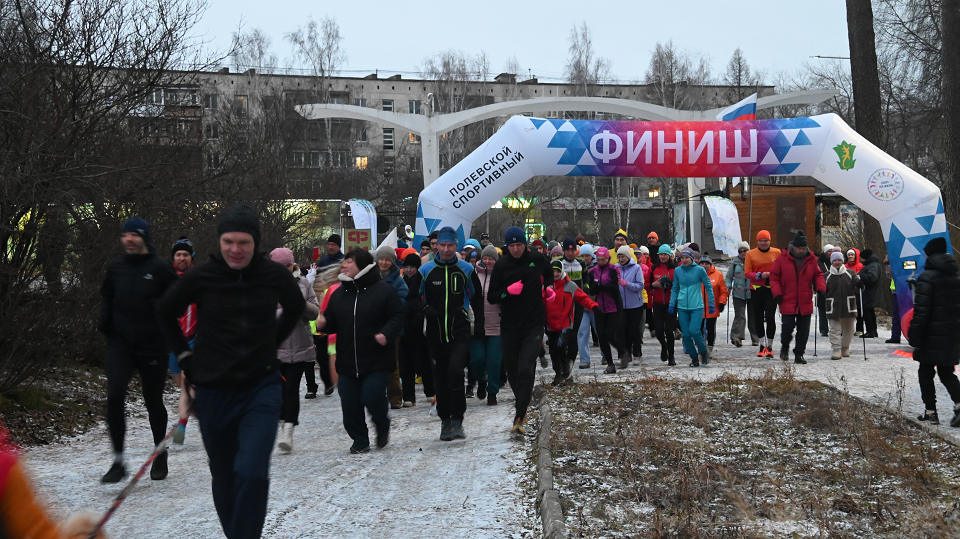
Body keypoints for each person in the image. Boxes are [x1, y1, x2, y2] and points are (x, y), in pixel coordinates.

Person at [157, 205, 305, 539]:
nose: (235, 250)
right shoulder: (203, 275)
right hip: (214, 391)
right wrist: (185, 356)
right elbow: (165, 311)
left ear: (256, 243)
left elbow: (295, 306)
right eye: (228, 242)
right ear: (219, 241)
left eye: (243, 242)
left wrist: (271, 342)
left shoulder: (273, 275)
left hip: (261, 388)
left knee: (252, 471)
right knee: (224, 476)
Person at [99, 217, 177, 483]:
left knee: (153, 401)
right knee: (114, 396)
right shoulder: (116, 268)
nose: (128, 239)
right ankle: (119, 461)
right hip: (121, 344)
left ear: (145, 237)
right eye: (125, 235)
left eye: (134, 235)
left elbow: (176, 302)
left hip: (153, 346)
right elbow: (107, 297)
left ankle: (160, 453)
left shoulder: (160, 268)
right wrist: (105, 323)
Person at [318, 248, 405, 452]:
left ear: (363, 266)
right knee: (349, 404)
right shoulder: (339, 294)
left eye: (350, 261)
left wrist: (386, 333)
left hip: (377, 358)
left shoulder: (383, 290)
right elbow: (332, 321)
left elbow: (398, 315)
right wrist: (324, 323)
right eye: (344, 261)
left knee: (372, 396)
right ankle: (359, 439)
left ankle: (382, 425)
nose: (344, 265)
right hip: (347, 360)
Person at [488, 226, 553, 434]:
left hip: (534, 322)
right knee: (513, 370)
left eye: (519, 244)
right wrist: (507, 292)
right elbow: (492, 296)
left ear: (525, 244)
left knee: (526, 366)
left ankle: (519, 415)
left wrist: (549, 287)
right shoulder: (502, 265)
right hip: (510, 324)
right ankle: (523, 400)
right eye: (512, 245)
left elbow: (548, 273)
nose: (515, 249)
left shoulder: (537, 259)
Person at [419, 227, 482, 441]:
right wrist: (425, 310)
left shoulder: (466, 269)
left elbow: (477, 297)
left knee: (456, 371)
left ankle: (458, 419)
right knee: (441, 376)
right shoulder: (426, 270)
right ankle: (445, 420)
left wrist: (479, 323)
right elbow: (412, 298)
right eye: (443, 245)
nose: (446, 249)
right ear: (437, 246)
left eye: (450, 245)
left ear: (456, 246)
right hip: (435, 331)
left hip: (459, 328)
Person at [270, 248, 320, 454]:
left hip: (300, 346)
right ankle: (283, 423)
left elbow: (315, 311)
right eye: (280, 266)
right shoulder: (265, 286)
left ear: (293, 265)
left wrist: (301, 307)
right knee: (278, 390)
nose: (285, 269)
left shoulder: (304, 283)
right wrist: (285, 312)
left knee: (291, 388)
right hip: (275, 348)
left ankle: (288, 430)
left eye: (288, 266)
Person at [909, 237, 960, 427]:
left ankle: (930, 412)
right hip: (952, 333)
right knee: (946, 372)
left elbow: (921, 312)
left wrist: (914, 334)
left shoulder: (927, 277)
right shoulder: (956, 276)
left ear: (929, 254)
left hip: (930, 335)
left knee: (925, 372)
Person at [770, 231, 825, 364]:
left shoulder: (812, 259)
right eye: (799, 248)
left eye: (803, 248)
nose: (801, 250)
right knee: (787, 327)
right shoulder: (782, 258)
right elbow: (774, 276)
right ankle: (785, 346)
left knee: (803, 330)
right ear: (793, 246)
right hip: (787, 298)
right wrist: (777, 292)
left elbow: (818, 275)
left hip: (805, 299)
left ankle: (799, 354)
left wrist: (820, 288)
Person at [545, 259, 598, 385]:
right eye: (553, 272)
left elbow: (583, 298)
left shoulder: (570, 286)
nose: (555, 274)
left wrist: (594, 307)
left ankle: (565, 370)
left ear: (562, 271)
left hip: (565, 323)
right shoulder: (546, 286)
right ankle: (558, 375)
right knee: (553, 351)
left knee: (561, 345)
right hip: (550, 324)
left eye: (558, 271)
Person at [169, 237, 197, 445]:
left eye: (185, 254)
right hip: (173, 340)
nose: (181, 258)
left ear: (191, 257)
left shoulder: (198, 279)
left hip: (194, 339)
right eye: (178, 254)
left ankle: (181, 424)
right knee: (180, 384)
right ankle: (192, 409)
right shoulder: (167, 279)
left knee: (188, 384)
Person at [399, 251, 436, 407]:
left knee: (425, 360)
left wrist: (419, 317)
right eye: (406, 267)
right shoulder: (402, 281)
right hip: (406, 327)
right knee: (407, 363)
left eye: (412, 267)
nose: (409, 270)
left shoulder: (422, 280)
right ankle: (408, 396)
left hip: (421, 326)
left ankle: (430, 391)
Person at [374, 245, 409, 410]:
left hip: (393, 327)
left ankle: (395, 397)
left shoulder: (398, 280)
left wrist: (387, 305)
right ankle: (375, 395)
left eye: (387, 260)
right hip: (373, 326)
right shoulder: (371, 277)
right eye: (381, 259)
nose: (384, 262)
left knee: (391, 362)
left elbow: (404, 300)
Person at [669, 248, 714, 367]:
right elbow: (675, 288)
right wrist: (672, 303)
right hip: (682, 306)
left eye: (687, 258)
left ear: (692, 259)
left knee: (694, 331)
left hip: (696, 306)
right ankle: (694, 358)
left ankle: (703, 352)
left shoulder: (699, 270)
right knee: (686, 334)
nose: (684, 260)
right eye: (682, 258)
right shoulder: (678, 271)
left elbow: (708, 286)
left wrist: (711, 303)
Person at [471, 245, 503, 405]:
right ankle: (481, 379)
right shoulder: (474, 274)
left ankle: (492, 393)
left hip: (496, 324)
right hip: (477, 325)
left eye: (491, 259)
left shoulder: (501, 274)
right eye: (485, 258)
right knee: (477, 359)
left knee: (494, 362)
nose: (488, 261)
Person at [587, 247, 627, 374]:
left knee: (610, 334)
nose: (600, 262)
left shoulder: (614, 269)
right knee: (601, 337)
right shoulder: (592, 271)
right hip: (599, 307)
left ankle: (623, 351)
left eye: (603, 260)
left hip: (614, 306)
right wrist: (597, 287)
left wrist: (600, 286)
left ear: (608, 258)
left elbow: (614, 287)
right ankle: (610, 364)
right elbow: (591, 289)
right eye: (598, 260)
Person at [744, 230, 782, 358]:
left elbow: (781, 269)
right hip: (756, 289)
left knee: (770, 317)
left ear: (770, 241)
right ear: (757, 241)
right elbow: (747, 272)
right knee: (758, 318)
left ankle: (769, 345)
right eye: (761, 241)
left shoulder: (777, 252)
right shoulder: (750, 254)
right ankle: (762, 345)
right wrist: (760, 275)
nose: (763, 243)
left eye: (766, 240)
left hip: (771, 289)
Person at [824, 251, 859, 359]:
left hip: (849, 305)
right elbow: (822, 289)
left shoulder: (850, 273)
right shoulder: (827, 275)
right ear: (831, 261)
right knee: (834, 330)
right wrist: (819, 290)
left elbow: (858, 287)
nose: (837, 262)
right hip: (833, 306)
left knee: (849, 329)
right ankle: (836, 349)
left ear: (843, 261)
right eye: (835, 260)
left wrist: (860, 285)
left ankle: (845, 347)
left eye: (839, 260)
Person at [616, 246, 645, 364]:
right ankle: (625, 355)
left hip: (635, 305)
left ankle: (637, 354)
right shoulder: (616, 268)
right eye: (619, 257)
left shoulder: (636, 268)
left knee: (634, 330)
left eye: (623, 256)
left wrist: (627, 284)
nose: (621, 259)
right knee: (622, 331)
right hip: (621, 305)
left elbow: (640, 286)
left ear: (628, 256)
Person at [559, 238, 585, 366]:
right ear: (563, 250)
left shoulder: (581, 263)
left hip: (577, 303)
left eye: (572, 250)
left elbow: (586, 279)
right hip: (561, 303)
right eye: (567, 250)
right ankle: (562, 362)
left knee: (573, 333)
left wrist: (586, 290)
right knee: (562, 334)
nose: (570, 253)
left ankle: (570, 363)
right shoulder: (558, 262)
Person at [725, 242, 756, 348]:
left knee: (753, 315)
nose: (743, 253)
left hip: (752, 292)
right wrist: (728, 287)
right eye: (740, 251)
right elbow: (728, 277)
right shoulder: (734, 263)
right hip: (738, 293)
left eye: (745, 250)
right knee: (740, 315)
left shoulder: (753, 261)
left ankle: (756, 338)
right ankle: (737, 337)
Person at [650, 244, 676, 364]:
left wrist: (669, 284)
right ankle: (664, 346)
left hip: (671, 303)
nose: (663, 256)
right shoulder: (654, 268)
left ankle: (671, 356)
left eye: (665, 254)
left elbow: (679, 285)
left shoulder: (675, 269)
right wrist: (653, 285)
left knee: (669, 330)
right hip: (658, 302)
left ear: (669, 255)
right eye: (661, 254)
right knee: (659, 330)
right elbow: (647, 284)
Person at [576, 244, 601, 369]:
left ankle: (605, 355)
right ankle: (584, 359)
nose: (585, 258)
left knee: (599, 331)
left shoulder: (597, 268)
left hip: (595, 304)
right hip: (582, 304)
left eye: (587, 255)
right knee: (582, 332)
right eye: (582, 256)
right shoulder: (576, 267)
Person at [698, 255, 727, 359]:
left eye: (707, 264)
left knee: (710, 328)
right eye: (702, 263)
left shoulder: (718, 275)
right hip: (698, 307)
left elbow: (723, 291)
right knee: (698, 329)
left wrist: (722, 302)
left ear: (710, 264)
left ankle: (709, 348)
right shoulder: (695, 274)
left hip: (712, 307)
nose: (704, 266)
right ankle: (701, 348)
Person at [858, 248, 882, 339]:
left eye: (861, 258)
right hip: (870, 292)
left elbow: (872, 278)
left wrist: (860, 275)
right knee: (870, 311)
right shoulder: (872, 264)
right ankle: (873, 331)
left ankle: (870, 331)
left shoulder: (873, 266)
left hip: (870, 293)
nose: (860, 259)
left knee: (866, 311)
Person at [816, 244, 835, 337]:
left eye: (832, 251)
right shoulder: (819, 262)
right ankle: (823, 329)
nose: (831, 253)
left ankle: (835, 328)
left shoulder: (836, 260)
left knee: (834, 309)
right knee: (822, 309)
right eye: (829, 251)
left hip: (834, 288)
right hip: (822, 287)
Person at [885, 256, 902, 344]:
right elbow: (889, 275)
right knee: (896, 315)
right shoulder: (892, 254)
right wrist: (888, 264)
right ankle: (895, 336)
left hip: (910, 289)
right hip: (896, 290)